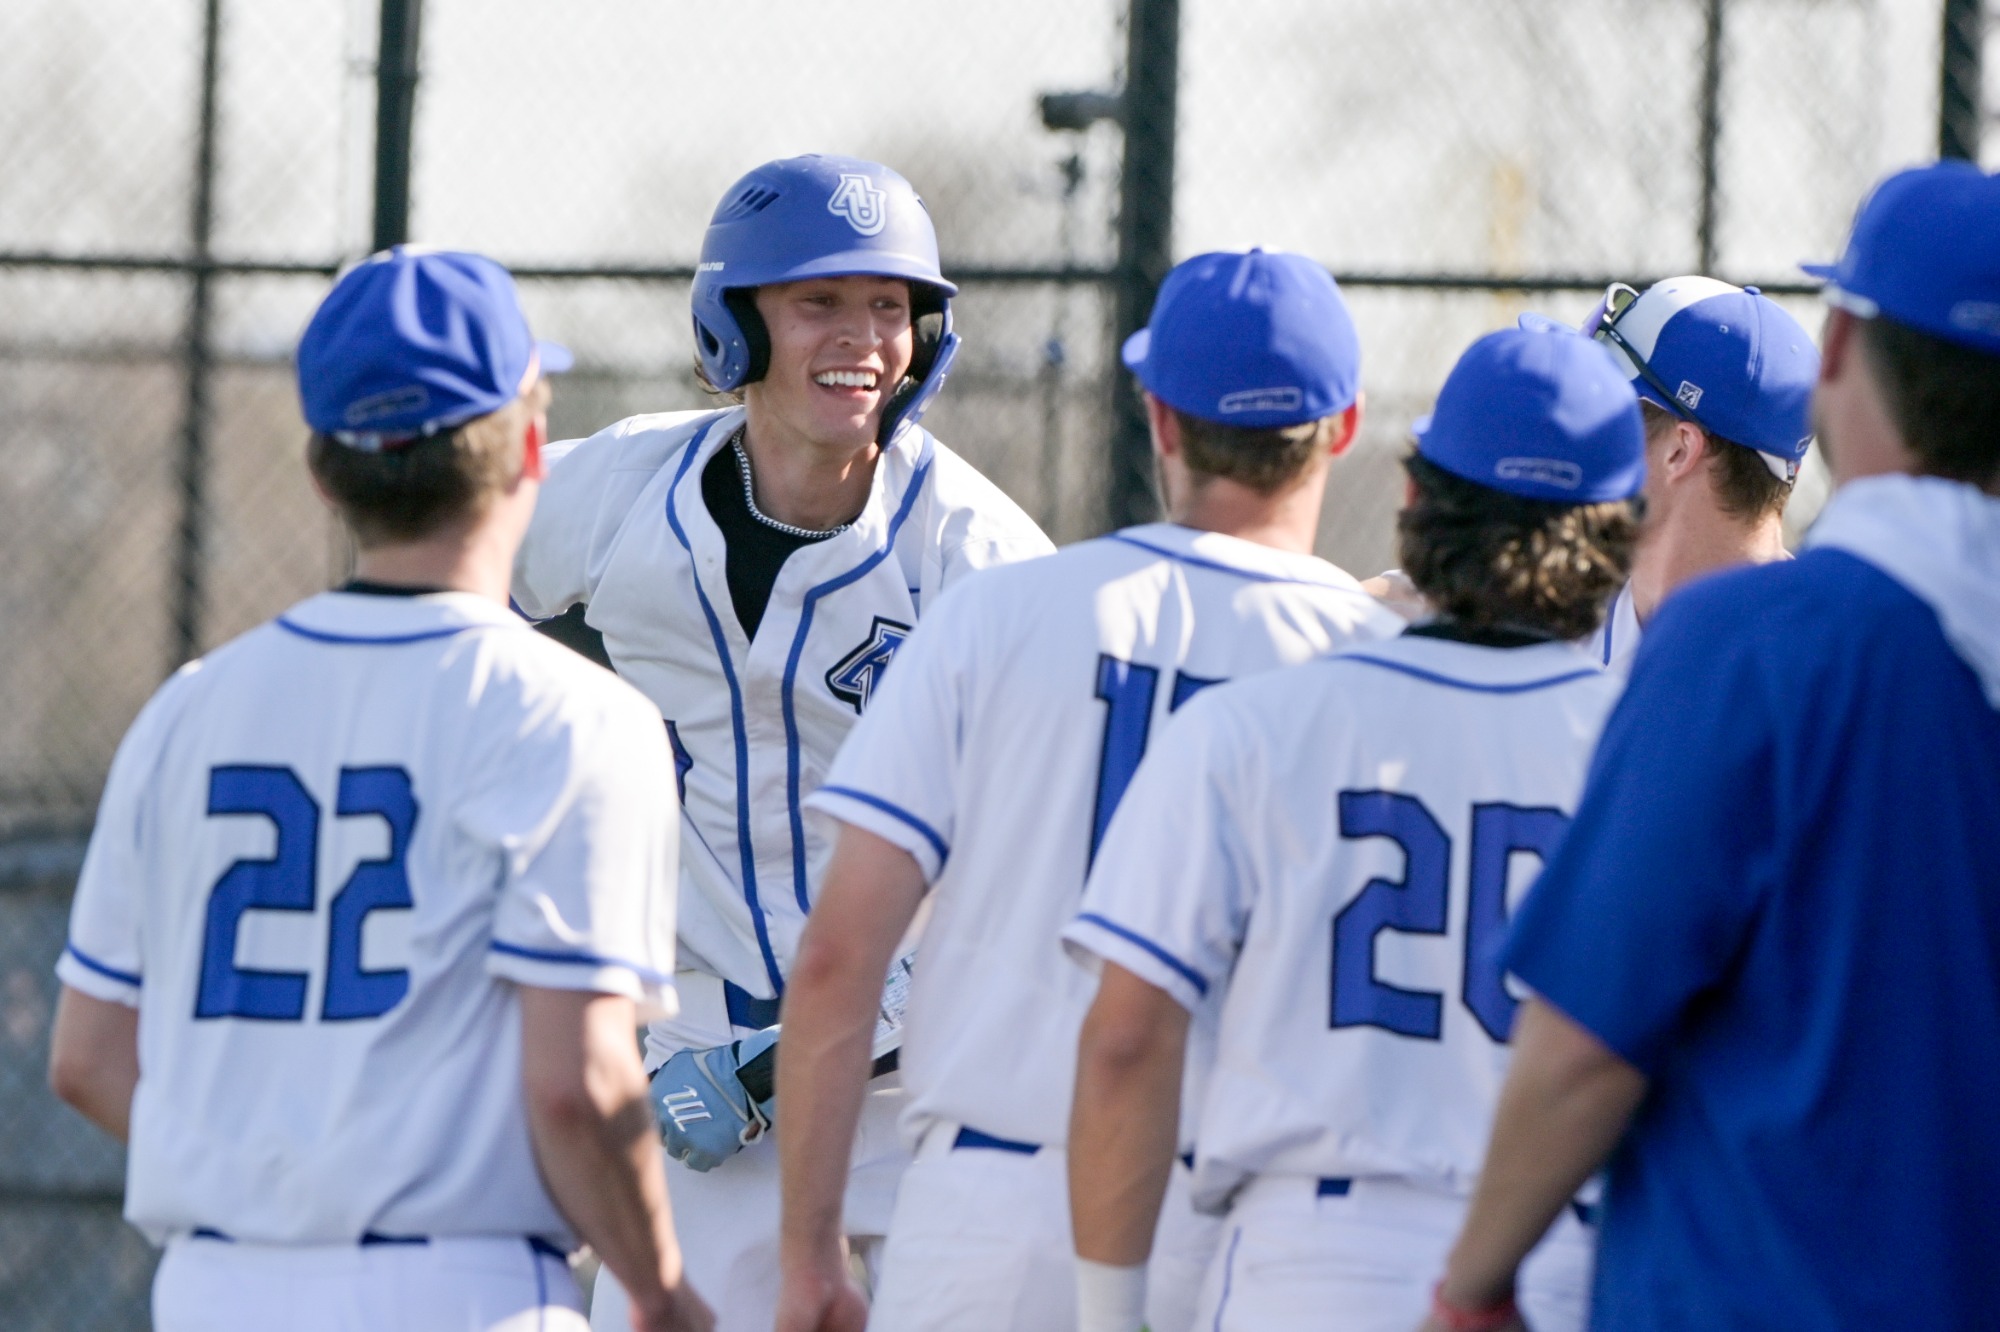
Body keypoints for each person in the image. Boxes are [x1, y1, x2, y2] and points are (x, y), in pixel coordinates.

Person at [45, 247, 710, 1332]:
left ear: (323, 472)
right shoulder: (577, 717)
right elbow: (577, 1086)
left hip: (216, 1285)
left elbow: (85, 1060)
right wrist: (663, 1289)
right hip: (459, 1285)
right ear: (529, 446)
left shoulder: (188, 707)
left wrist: (266, 1180)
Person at [771, 249, 1405, 1332]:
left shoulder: (996, 614)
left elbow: (837, 957)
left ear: (1158, 419)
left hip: (992, 1209)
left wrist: (808, 1249)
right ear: (1341, 429)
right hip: (1265, 1234)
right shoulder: (1385, 665)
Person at [1421, 161, 2000, 1332]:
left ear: (1838, 351)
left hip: (1746, 1288)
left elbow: (1585, 1039)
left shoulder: (1747, 651)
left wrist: (1474, 1280)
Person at [509, 155, 1053, 1332]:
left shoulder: (983, 557)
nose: (861, 336)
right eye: (818, 301)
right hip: (697, 1083)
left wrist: (772, 1068)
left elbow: (1034, 872)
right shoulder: (614, 493)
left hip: (932, 1080)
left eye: (887, 305)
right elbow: (441, 612)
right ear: (732, 322)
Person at [1065, 326, 1647, 1332]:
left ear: (1415, 500)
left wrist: (1109, 1314)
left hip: (1305, 1259)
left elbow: (1124, 1040)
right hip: (1554, 1259)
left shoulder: (1256, 723)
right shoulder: (1656, 757)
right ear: (1617, 533)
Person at [1362, 279, 1817, 675]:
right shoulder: (1579, 592)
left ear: (1679, 450)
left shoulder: (1816, 662)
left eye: (1611, 412)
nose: (1588, 429)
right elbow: (1394, 600)